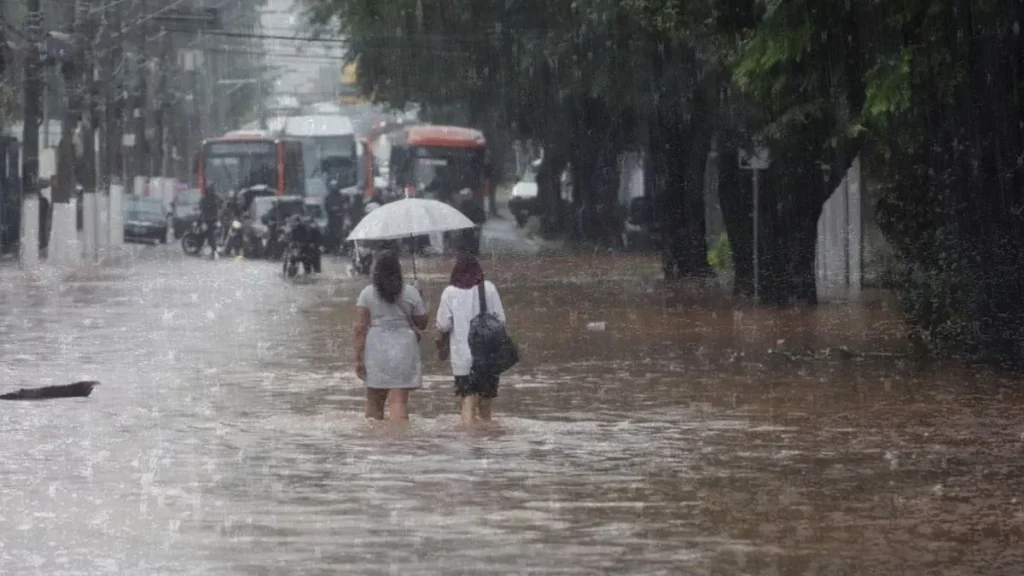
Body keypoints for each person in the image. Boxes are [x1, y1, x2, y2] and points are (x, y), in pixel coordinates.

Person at [353, 250, 428, 421]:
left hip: (376, 348)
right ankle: (399, 436)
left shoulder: (367, 293)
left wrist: (357, 359)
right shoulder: (411, 292)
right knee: (399, 401)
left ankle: (373, 436)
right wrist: (420, 298)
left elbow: (359, 328)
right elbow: (422, 323)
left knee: (374, 401)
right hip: (404, 347)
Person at [435, 253, 507, 427]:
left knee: (468, 400)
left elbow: (443, 325)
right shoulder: (488, 288)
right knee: (486, 404)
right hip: (488, 357)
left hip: (462, 359)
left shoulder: (449, 293)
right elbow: (501, 320)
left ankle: (468, 438)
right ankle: (487, 438)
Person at [197, 185, 220, 259]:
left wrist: (204, 221)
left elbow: (202, 209)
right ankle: (211, 250)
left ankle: (212, 250)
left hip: (207, 220)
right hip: (213, 220)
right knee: (208, 235)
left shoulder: (205, 200)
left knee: (207, 235)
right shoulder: (214, 199)